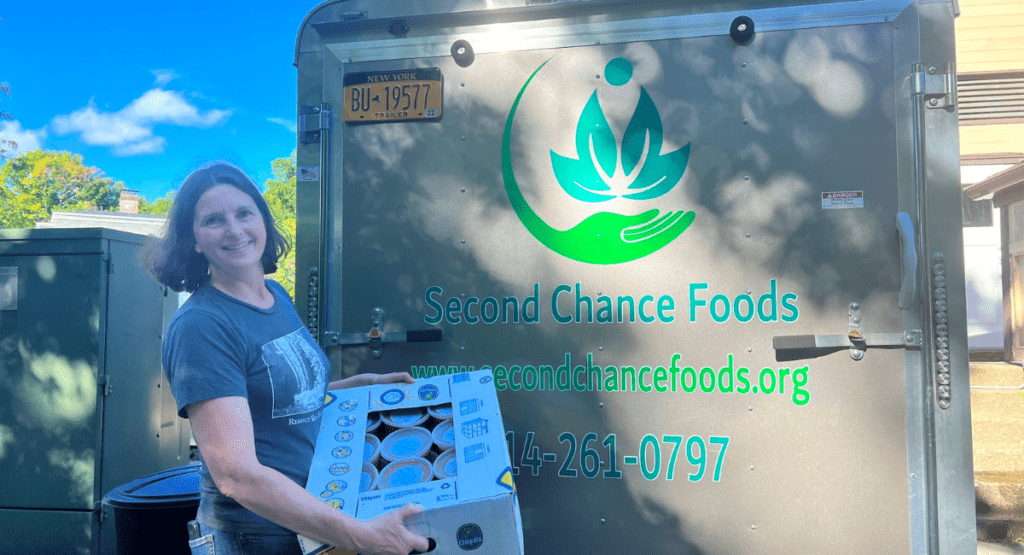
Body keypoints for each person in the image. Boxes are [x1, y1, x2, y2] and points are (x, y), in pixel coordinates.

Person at [147, 162, 429, 555]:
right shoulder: (201, 326)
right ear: (192, 240)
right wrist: (359, 534)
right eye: (213, 220)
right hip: (253, 536)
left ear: (262, 218)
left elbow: (270, 401)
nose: (235, 230)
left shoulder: (274, 295)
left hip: (308, 521)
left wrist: (346, 390)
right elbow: (237, 476)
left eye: (244, 213)